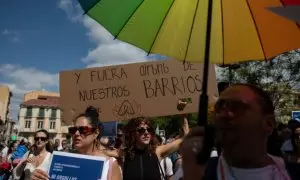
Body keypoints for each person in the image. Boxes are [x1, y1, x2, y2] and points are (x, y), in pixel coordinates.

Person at [181, 84, 292, 180]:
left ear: (269, 124)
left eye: (237, 107)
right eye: (219, 108)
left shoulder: (293, 173)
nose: (223, 115)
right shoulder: (196, 171)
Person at [30, 106, 122, 180]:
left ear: (96, 133)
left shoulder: (109, 165)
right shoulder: (60, 160)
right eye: (73, 130)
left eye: (83, 129)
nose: (77, 134)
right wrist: (35, 177)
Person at [123, 101, 189, 180]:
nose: (146, 133)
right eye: (141, 130)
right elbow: (104, 153)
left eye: (149, 129)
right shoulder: (123, 154)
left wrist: (183, 116)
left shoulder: (157, 152)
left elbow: (185, 138)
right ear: (133, 133)